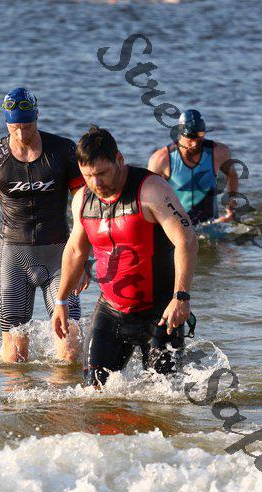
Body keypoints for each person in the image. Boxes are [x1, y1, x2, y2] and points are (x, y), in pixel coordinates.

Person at [52, 126, 198, 387]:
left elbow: (186, 239)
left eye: (102, 173)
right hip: (111, 310)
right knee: (93, 391)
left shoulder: (152, 190)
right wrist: (61, 301)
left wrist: (181, 297)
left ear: (118, 159)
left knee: (164, 397)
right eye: (88, 176)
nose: (96, 183)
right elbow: (75, 250)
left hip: (161, 312)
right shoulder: (82, 200)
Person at [0, 87, 85, 363]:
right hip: (14, 257)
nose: (21, 134)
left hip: (60, 254)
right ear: (6, 122)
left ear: (36, 118)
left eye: (27, 126)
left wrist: (85, 258)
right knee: (14, 356)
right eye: (15, 127)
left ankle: (67, 393)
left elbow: (83, 204)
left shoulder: (63, 151)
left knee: (70, 349)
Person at [147, 109, 238, 225]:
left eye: (200, 136)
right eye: (191, 137)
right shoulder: (161, 159)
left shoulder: (219, 152)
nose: (195, 143)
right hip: (177, 226)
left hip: (211, 225)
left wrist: (231, 202)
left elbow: (232, 175)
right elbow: (146, 193)